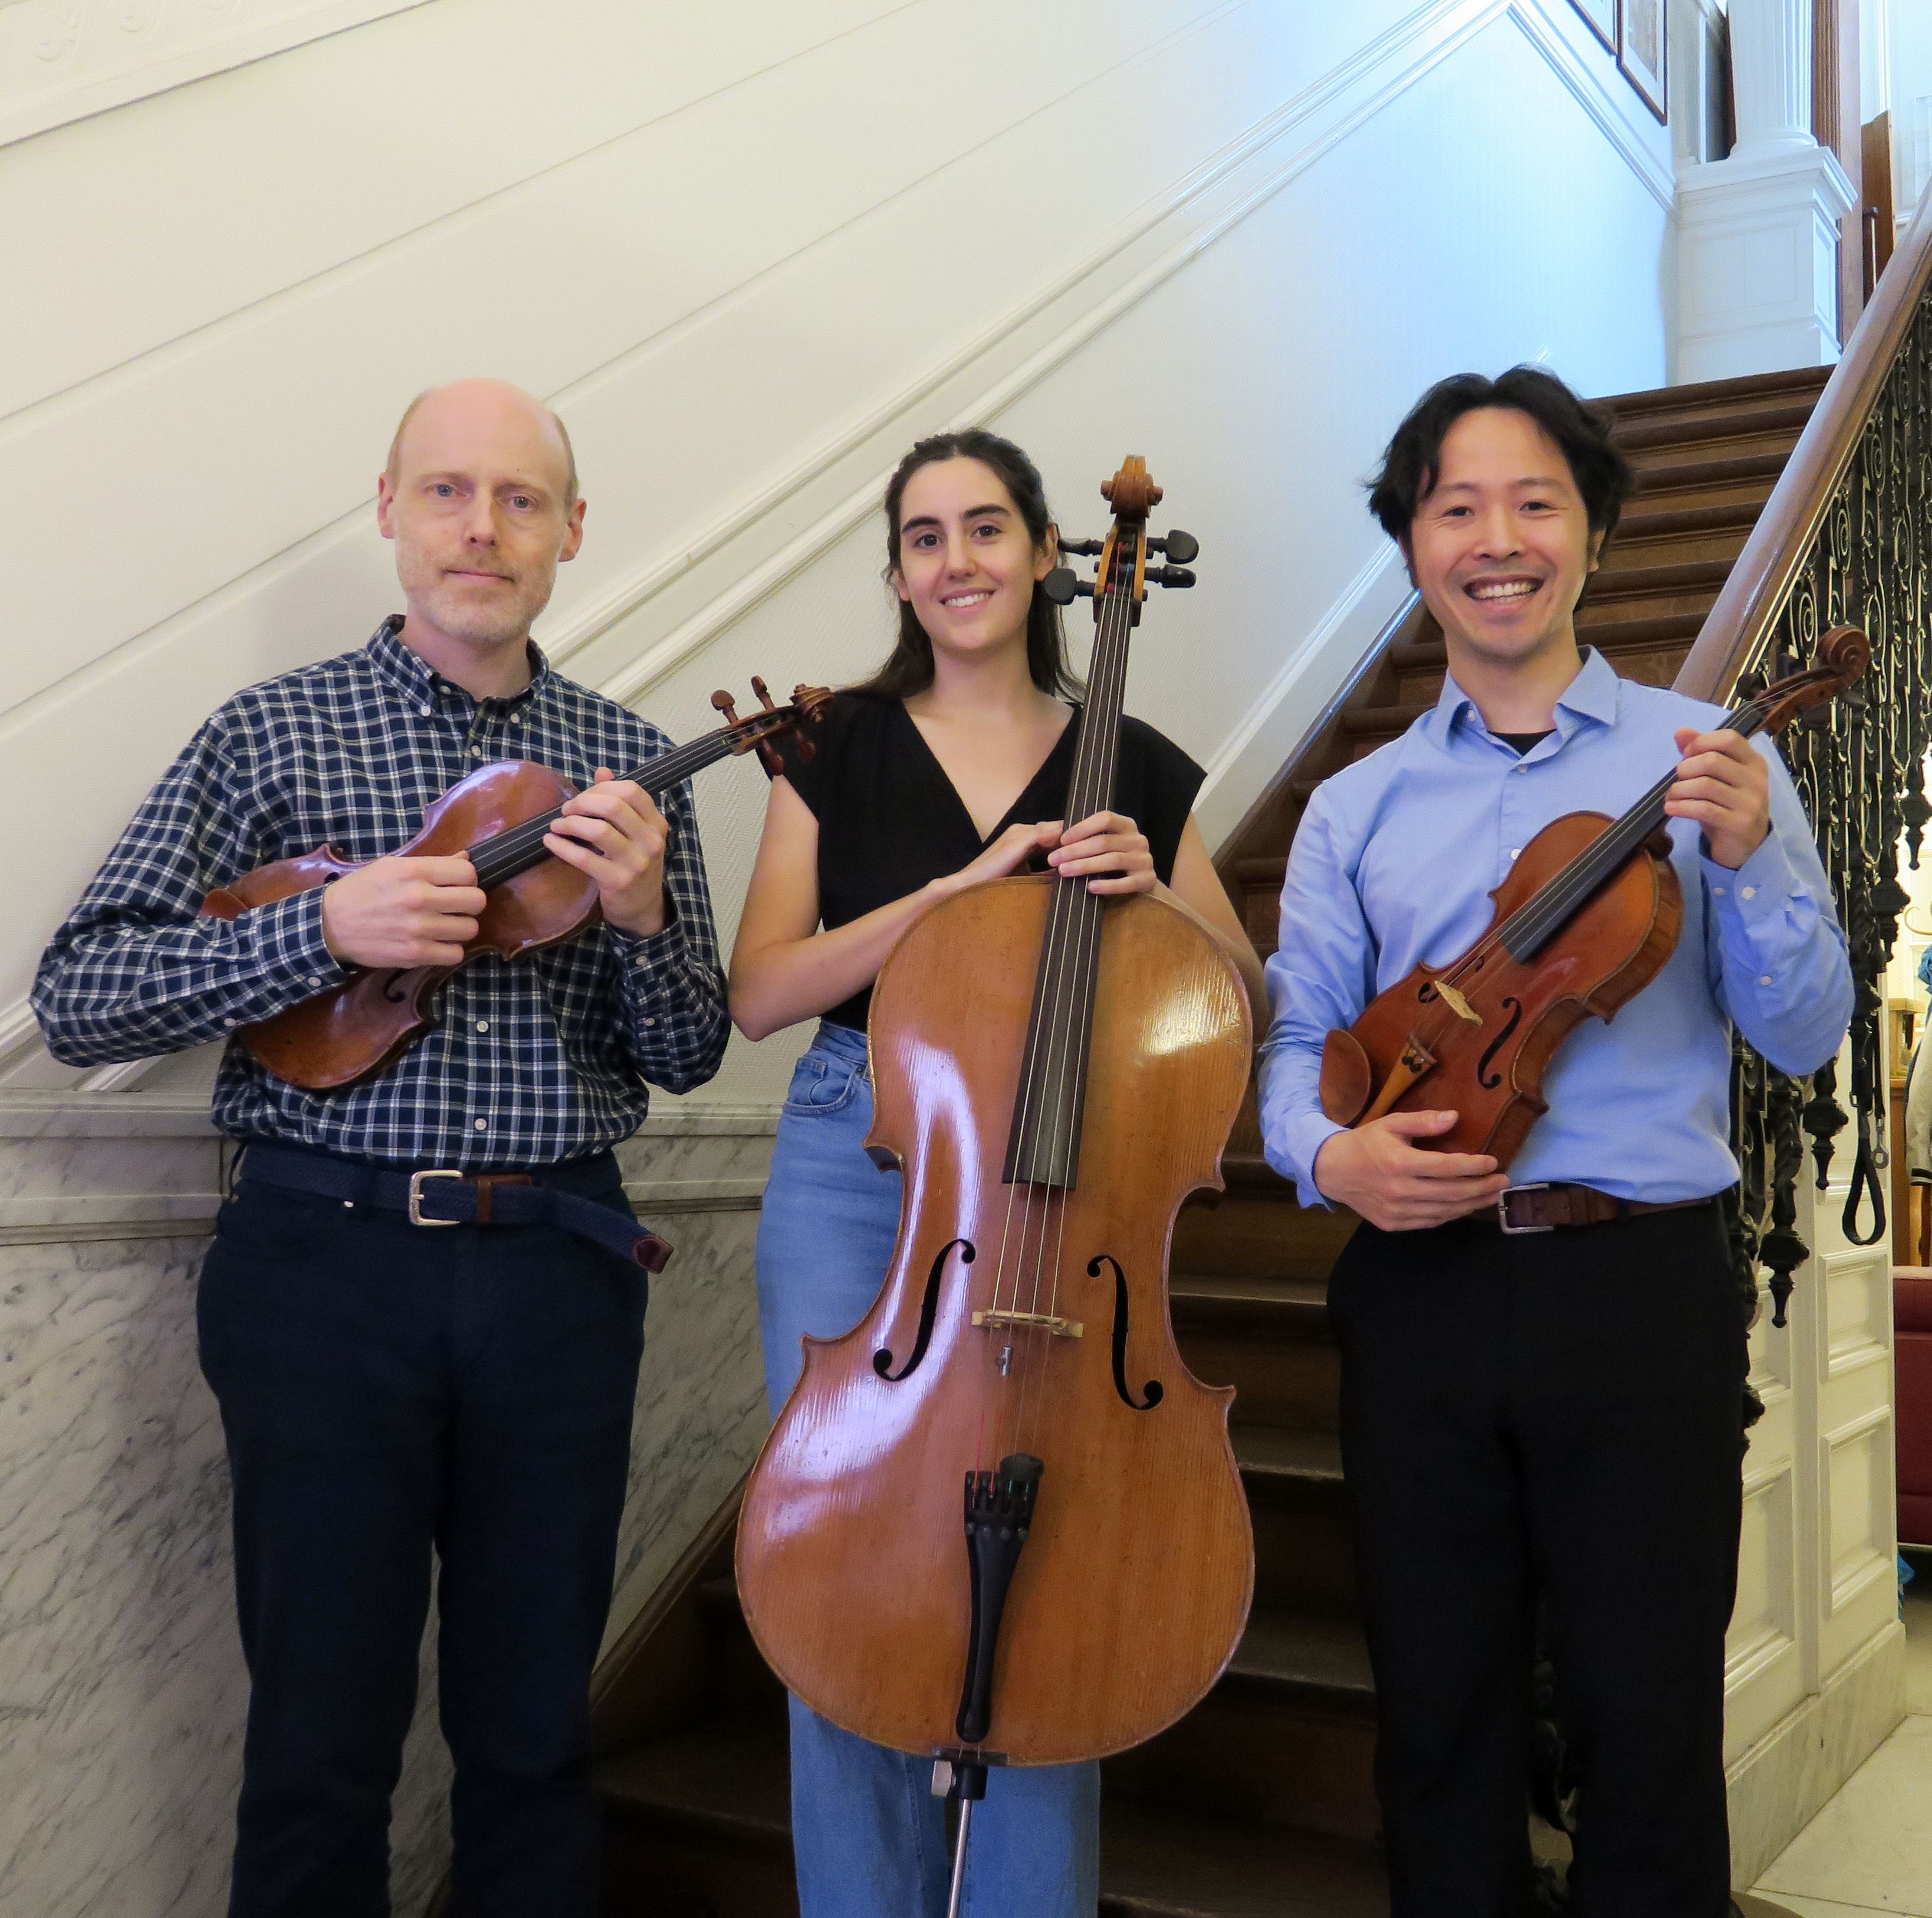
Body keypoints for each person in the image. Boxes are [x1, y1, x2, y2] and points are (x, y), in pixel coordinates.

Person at [33, 380, 729, 1917]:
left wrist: (638, 918)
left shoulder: (623, 762)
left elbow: (684, 1054)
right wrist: (314, 927)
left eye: (522, 498)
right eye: (447, 491)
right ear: (391, 509)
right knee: (317, 1741)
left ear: (569, 532)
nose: (483, 527)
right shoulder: (268, 731)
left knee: (537, 1734)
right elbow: (80, 993)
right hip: (322, 1273)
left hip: (559, 1270)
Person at [1256, 366, 1853, 1917]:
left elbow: (1797, 1034)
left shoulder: (1707, 756)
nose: (1496, 538)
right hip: (1418, 1290)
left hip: (1634, 1285)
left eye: (1536, 502)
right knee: (1436, 1720)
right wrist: (1328, 1162)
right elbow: (1291, 1047)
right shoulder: (1349, 807)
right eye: (1456, 507)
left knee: (1643, 1720)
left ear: (1590, 533)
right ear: (1412, 546)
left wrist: (1745, 862)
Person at [728, 426, 1265, 1917]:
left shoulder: (1139, 769)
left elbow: (1242, 994)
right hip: (858, 1154)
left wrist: (1165, 895)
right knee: (834, 1564)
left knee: (1059, 1578)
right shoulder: (830, 740)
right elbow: (763, 991)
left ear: (1047, 555)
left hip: (1066, 1182)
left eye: (983, 529)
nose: (955, 561)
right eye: (922, 537)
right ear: (897, 571)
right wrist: (950, 897)